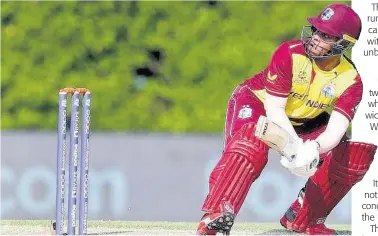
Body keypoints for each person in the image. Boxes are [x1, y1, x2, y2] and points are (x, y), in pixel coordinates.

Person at [196, 3, 377, 235]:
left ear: (344, 43)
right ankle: (217, 215)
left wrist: (314, 149)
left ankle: (304, 218)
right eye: (317, 31)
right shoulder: (289, 53)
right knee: (249, 143)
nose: (315, 38)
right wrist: (296, 149)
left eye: (326, 35)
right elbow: (275, 110)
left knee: (353, 156)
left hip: (305, 119)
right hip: (259, 103)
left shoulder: (352, 81)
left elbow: (336, 130)